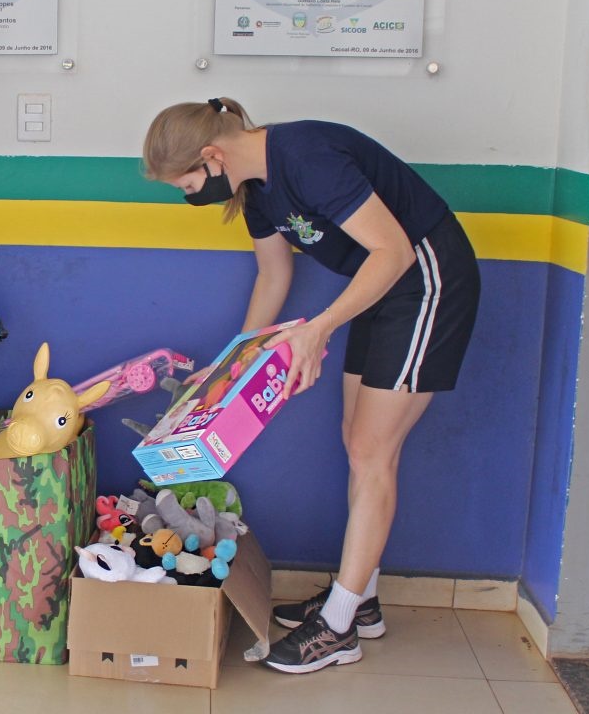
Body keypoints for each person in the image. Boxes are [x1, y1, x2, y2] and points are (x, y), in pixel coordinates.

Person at [142, 98, 480, 674]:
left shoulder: (305, 156)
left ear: (212, 155)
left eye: (188, 183)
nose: (189, 194)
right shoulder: (256, 188)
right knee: (356, 440)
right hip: (381, 290)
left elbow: (394, 250)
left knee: (374, 453)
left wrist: (319, 329)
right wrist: (232, 364)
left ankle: (340, 628)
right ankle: (361, 599)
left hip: (426, 282)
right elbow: (276, 272)